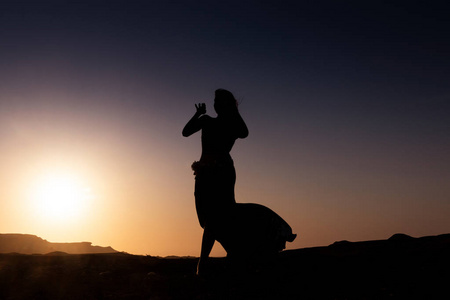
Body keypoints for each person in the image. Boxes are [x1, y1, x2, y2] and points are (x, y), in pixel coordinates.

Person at [182, 89, 248, 275]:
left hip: (222, 173)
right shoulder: (206, 121)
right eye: (215, 100)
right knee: (208, 218)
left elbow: (245, 133)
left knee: (216, 217)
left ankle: (203, 264)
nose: (215, 104)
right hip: (205, 174)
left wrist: (234, 111)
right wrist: (197, 114)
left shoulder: (230, 125)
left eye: (219, 101)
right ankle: (232, 254)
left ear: (225, 105)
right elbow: (185, 132)